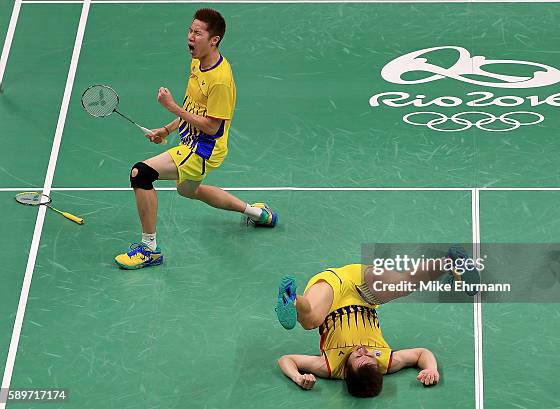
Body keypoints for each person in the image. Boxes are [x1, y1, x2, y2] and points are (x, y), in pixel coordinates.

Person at [115, 8, 277, 269]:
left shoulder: (220, 80)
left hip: (204, 149)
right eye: (190, 30)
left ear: (214, 40)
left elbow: (213, 127)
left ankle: (149, 249)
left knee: (140, 174)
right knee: (188, 190)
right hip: (190, 143)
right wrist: (167, 129)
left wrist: (172, 107)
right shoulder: (197, 63)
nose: (190, 37)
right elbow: (193, 108)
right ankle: (258, 213)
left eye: (197, 33)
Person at [274, 248, 478, 397]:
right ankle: (450, 262)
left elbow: (286, 359)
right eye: (370, 358)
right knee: (405, 284)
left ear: (347, 372)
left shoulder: (330, 367)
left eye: (359, 358)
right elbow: (421, 354)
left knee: (311, 321)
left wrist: (298, 378)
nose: (364, 350)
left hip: (331, 292)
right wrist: (431, 369)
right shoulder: (385, 362)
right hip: (364, 291)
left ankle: (291, 298)